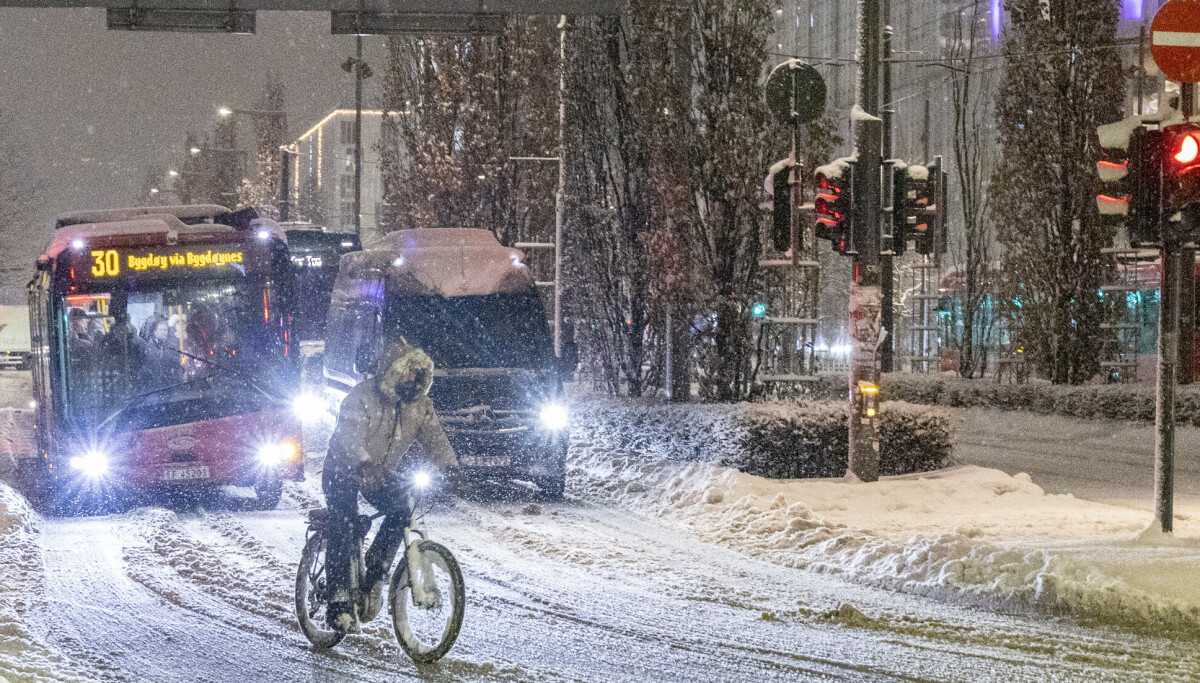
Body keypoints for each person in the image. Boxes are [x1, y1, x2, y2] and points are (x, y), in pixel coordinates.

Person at [322, 340, 458, 632]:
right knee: (344, 523)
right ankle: (338, 601)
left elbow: (435, 438)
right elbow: (349, 439)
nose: (413, 384)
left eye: (419, 379)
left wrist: (450, 468)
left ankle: (375, 574)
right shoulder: (362, 398)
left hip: (380, 473)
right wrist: (364, 462)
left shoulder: (419, 406)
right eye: (409, 377)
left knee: (401, 510)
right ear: (393, 374)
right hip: (343, 469)